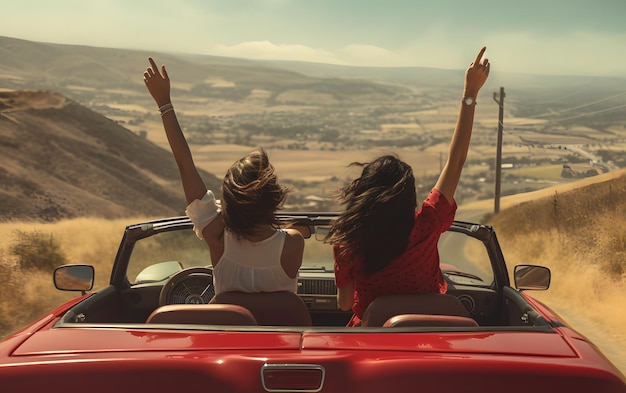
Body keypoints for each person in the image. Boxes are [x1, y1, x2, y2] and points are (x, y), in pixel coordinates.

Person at [325, 47, 490, 326]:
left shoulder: (349, 244)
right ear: (407, 199)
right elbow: (456, 161)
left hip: (371, 342)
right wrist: (470, 93)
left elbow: (344, 304)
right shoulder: (425, 227)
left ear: (364, 197)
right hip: (427, 339)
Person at [143, 57, 304, 295]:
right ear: (273, 198)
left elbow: (185, 165)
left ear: (229, 201)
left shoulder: (216, 235)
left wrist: (164, 103)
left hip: (228, 332)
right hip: (278, 334)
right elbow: (274, 235)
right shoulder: (293, 243)